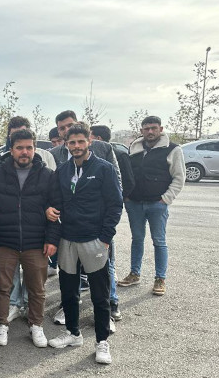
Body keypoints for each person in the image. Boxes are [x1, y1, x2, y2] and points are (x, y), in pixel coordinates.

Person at [47, 124, 122, 364]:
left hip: (94, 240)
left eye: (81, 141)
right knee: (69, 292)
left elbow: (115, 205)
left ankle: (102, 341)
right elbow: (55, 202)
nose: (77, 146)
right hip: (68, 240)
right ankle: (73, 333)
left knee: (100, 295)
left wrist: (105, 238)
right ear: (66, 144)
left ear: (89, 141)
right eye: (72, 142)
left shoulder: (104, 168)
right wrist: (49, 212)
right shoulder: (62, 170)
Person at [0, 129, 60, 348]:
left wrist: (52, 240)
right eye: (19, 147)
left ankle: (36, 325)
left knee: (37, 289)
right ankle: (1, 324)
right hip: (5, 241)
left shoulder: (47, 175)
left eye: (29, 147)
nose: (24, 152)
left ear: (35, 149)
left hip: (36, 242)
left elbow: (55, 209)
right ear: (11, 150)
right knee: (3, 287)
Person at [118, 116, 185, 296]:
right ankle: (134, 274)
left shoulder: (173, 149)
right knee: (137, 239)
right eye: (146, 128)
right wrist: (127, 197)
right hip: (134, 203)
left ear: (160, 129)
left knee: (159, 242)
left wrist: (166, 199)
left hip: (157, 204)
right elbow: (127, 174)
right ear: (141, 131)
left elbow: (179, 177)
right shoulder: (134, 148)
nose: (150, 131)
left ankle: (160, 279)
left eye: (154, 128)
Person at [91, 125, 134, 321]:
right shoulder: (57, 152)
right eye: (62, 128)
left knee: (106, 262)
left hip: (100, 221)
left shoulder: (103, 149)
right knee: (72, 269)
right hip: (71, 224)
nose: (66, 131)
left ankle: (111, 302)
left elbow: (117, 183)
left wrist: (110, 219)